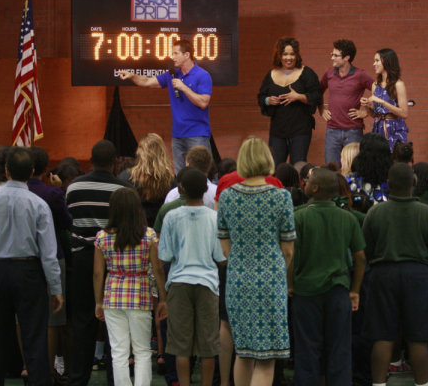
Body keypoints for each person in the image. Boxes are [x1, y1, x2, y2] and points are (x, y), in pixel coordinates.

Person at [0, 147, 64, 385]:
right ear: (32, 172)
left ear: (6, 171)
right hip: (29, 273)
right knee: (34, 339)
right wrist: (55, 287)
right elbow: (48, 252)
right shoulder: (39, 205)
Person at [217, 136, 295, 385]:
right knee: (266, 358)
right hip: (271, 279)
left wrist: (241, 262)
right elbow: (288, 250)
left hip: (238, 279)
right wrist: (278, 270)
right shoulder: (281, 197)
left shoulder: (227, 197)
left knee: (244, 352)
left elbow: (224, 244)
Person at [362, 162, 428, 386]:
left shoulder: (375, 212)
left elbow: (366, 250)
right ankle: (422, 383)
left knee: (383, 335)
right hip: (419, 274)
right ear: (414, 183)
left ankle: (378, 383)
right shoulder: (427, 213)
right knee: (418, 337)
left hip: (383, 273)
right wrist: (425, 270)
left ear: (388, 184)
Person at [292, 168, 366, 385]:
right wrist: (355, 290)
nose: (304, 182)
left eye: (308, 180)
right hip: (338, 291)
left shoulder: (299, 217)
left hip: (305, 292)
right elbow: (360, 257)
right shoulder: (348, 218)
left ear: (315, 188)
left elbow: (290, 255)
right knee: (340, 350)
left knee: (307, 351)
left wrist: (289, 284)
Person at [66, 140, 130, 386]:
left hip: (82, 257)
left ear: (90, 161)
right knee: (115, 324)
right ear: (115, 162)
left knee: (83, 321)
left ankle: (77, 379)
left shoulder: (74, 187)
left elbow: (70, 218)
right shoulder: (123, 189)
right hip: (115, 260)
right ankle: (117, 379)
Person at [159, 168, 226, 386]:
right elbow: (219, 256)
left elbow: (165, 255)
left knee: (181, 346)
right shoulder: (214, 217)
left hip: (179, 282)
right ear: (207, 189)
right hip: (207, 283)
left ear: (181, 189)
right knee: (208, 347)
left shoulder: (171, 216)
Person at [93, 187, 166, 386]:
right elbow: (158, 269)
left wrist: (98, 301)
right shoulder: (149, 235)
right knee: (142, 350)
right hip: (140, 296)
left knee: (118, 353)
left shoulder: (102, 237)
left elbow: (98, 273)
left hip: (112, 296)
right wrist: (163, 298)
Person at [116, 40, 212, 173]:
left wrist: (183, 88)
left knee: (199, 174)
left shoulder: (202, 75)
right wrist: (132, 76)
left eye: (175, 53)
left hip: (197, 134)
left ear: (187, 55)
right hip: (177, 135)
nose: (172, 57)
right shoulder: (172, 74)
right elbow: (148, 82)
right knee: (179, 175)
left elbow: (203, 102)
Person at [28, 146, 72, 382]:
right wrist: (58, 191)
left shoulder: (16, 193)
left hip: (24, 258)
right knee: (54, 315)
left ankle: (28, 365)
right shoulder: (52, 194)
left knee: (23, 315)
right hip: (54, 255)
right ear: (46, 169)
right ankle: (49, 367)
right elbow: (67, 222)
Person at [257, 37, 321, 166]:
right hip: (278, 130)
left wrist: (299, 97)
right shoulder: (271, 74)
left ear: (297, 55)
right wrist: (268, 100)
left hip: (300, 130)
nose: (289, 58)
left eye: (292, 54)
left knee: (298, 166)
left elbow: (317, 96)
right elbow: (261, 97)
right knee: (274, 167)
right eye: (285, 54)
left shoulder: (307, 73)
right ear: (279, 56)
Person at [319, 39, 373, 166]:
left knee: (353, 168)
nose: (332, 58)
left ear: (347, 57)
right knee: (332, 169)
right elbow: (317, 92)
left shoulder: (360, 75)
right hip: (332, 130)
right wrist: (321, 108)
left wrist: (366, 111)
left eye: (336, 55)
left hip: (353, 131)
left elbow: (379, 91)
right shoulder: (329, 73)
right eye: (331, 54)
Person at [119, 133, 175, 227]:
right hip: (161, 231)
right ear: (162, 153)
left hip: (134, 231)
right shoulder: (171, 181)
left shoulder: (125, 177)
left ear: (139, 153)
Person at [360, 48, 409, 150]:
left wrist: (382, 102)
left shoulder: (398, 84)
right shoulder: (375, 85)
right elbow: (374, 115)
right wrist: (367, 106)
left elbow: (404, 113)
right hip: (378, 129)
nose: (374, 64)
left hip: (395, 129)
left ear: (387, 62)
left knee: (394, 162)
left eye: (377, 60)